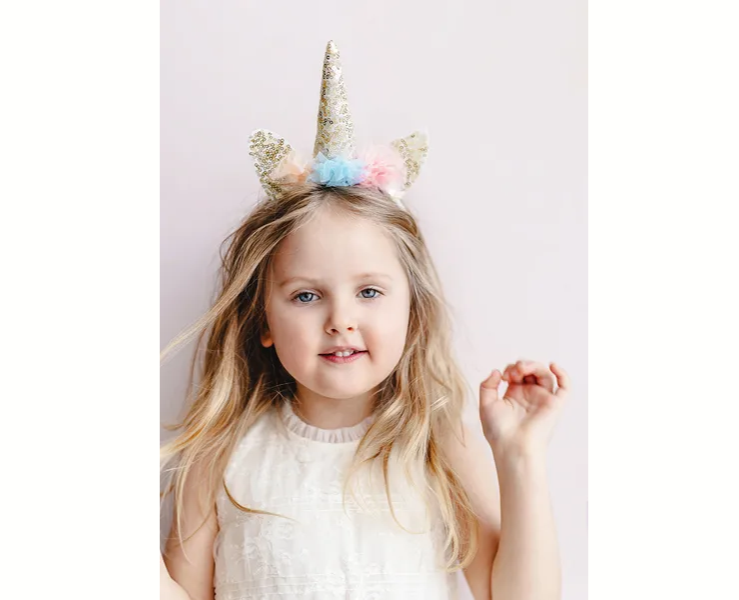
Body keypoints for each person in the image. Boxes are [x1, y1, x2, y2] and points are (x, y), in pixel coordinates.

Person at [160, 40, 571, 600]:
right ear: (263, 320)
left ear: (412, 312)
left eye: (370, 292)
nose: (341, 320)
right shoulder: (221, 454)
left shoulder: (436, 445)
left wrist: (519, 456)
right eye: (307, 296)